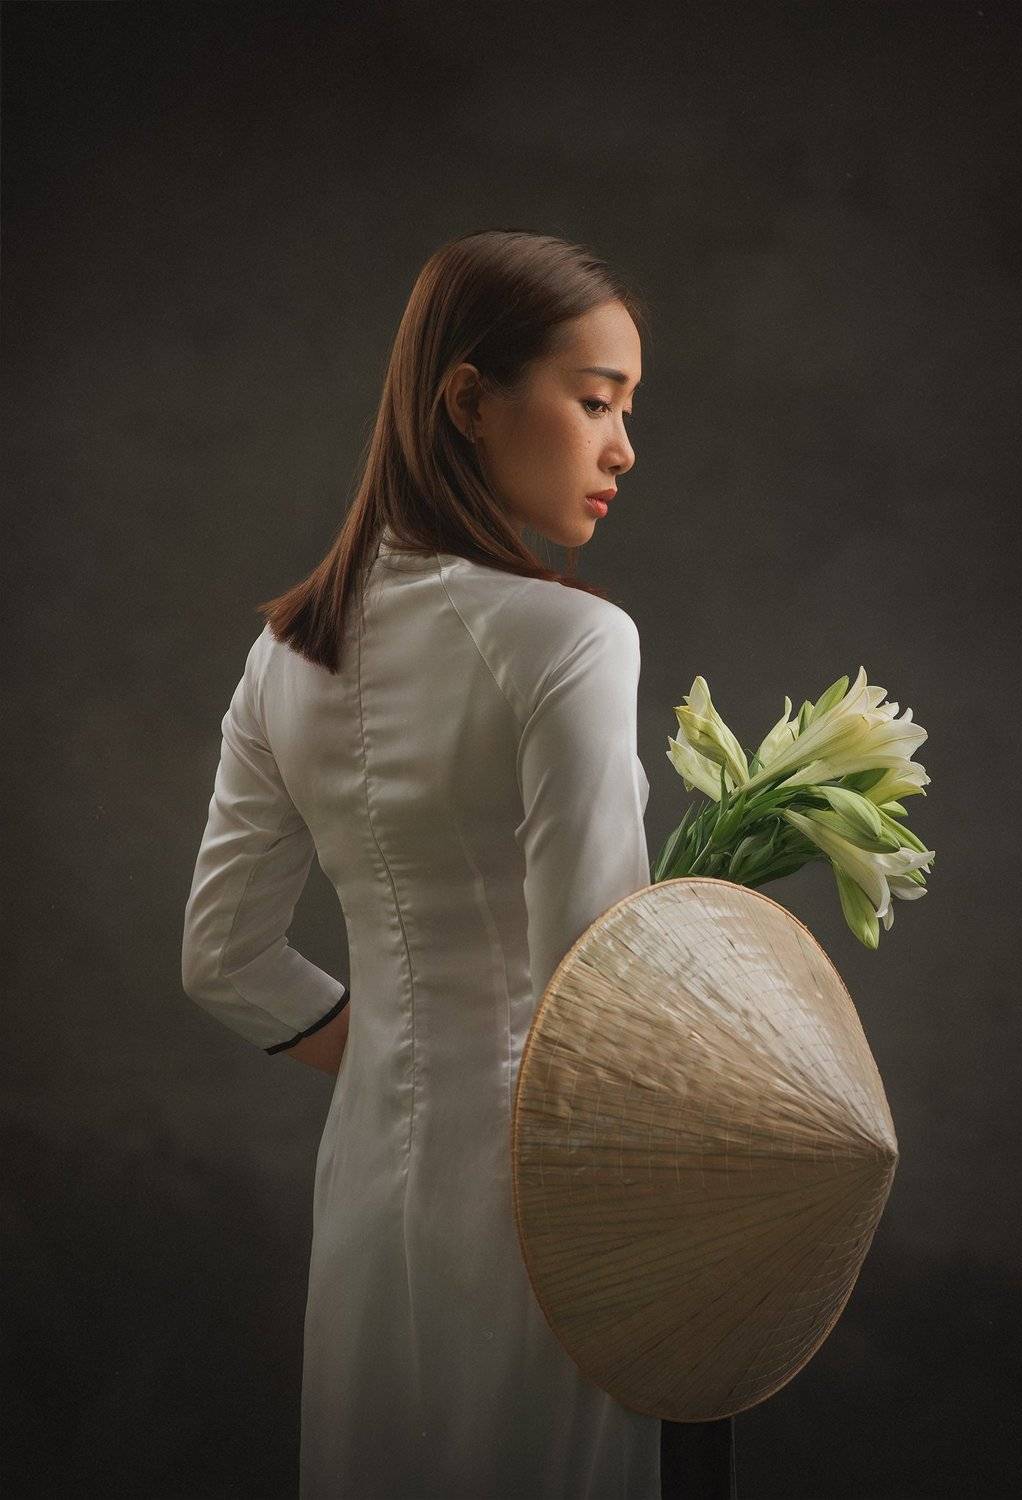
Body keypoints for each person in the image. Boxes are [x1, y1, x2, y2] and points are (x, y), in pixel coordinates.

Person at [180, 229, 736, 1499]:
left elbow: (222, 959)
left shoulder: (285, 656)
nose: (622, 448)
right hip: (553, 1208)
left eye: (626, 411)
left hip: (371, 1184)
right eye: (596, 402)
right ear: (470, 400)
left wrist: (394, 1049)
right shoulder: (573, 641)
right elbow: (599, 991)